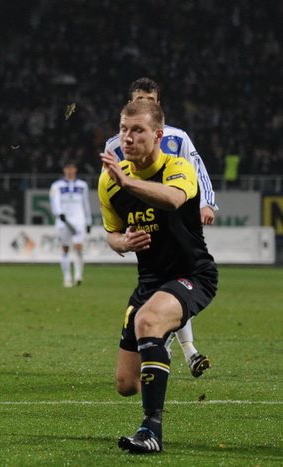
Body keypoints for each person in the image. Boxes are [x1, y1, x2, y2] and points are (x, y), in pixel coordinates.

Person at [98, 100, 218, 453]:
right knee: (126, 384)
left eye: (138, 130)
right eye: (123, 129)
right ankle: (158, 347)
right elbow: (111, 235)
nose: (128, 137)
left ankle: (151, 430)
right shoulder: (109, 181)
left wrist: (128, 181)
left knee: (148, 319)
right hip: (149, 283)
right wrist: (123, 242)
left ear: (158, 136)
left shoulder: (177, 167)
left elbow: (173, 199)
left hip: (192, 274)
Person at [104, 77, 215, 378]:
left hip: (176, 213)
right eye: (139, 100)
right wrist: (121, 237)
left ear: (159, 104)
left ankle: (183, 349)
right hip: (144, 224)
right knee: (163, 286)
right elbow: (110, 186)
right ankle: (171, 345)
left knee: (176, 279)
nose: (145, 105)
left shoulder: (177, 137)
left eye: (150, 100)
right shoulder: (114, 144)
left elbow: (198, 170)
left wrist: (208, 203)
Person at [49, 160, 91, 287]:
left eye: (72, 168)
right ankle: (67, 277)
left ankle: (78, 275)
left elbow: (86, 203)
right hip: (64, 221)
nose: (70, 170)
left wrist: (88, 220)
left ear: (75, 169)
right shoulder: (56, 186)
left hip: (79, 220)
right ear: (64, 170)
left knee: (78, 247)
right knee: (65, 248)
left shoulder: (82, 185)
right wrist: (59, 213)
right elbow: (54, 201)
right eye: (67, 168)